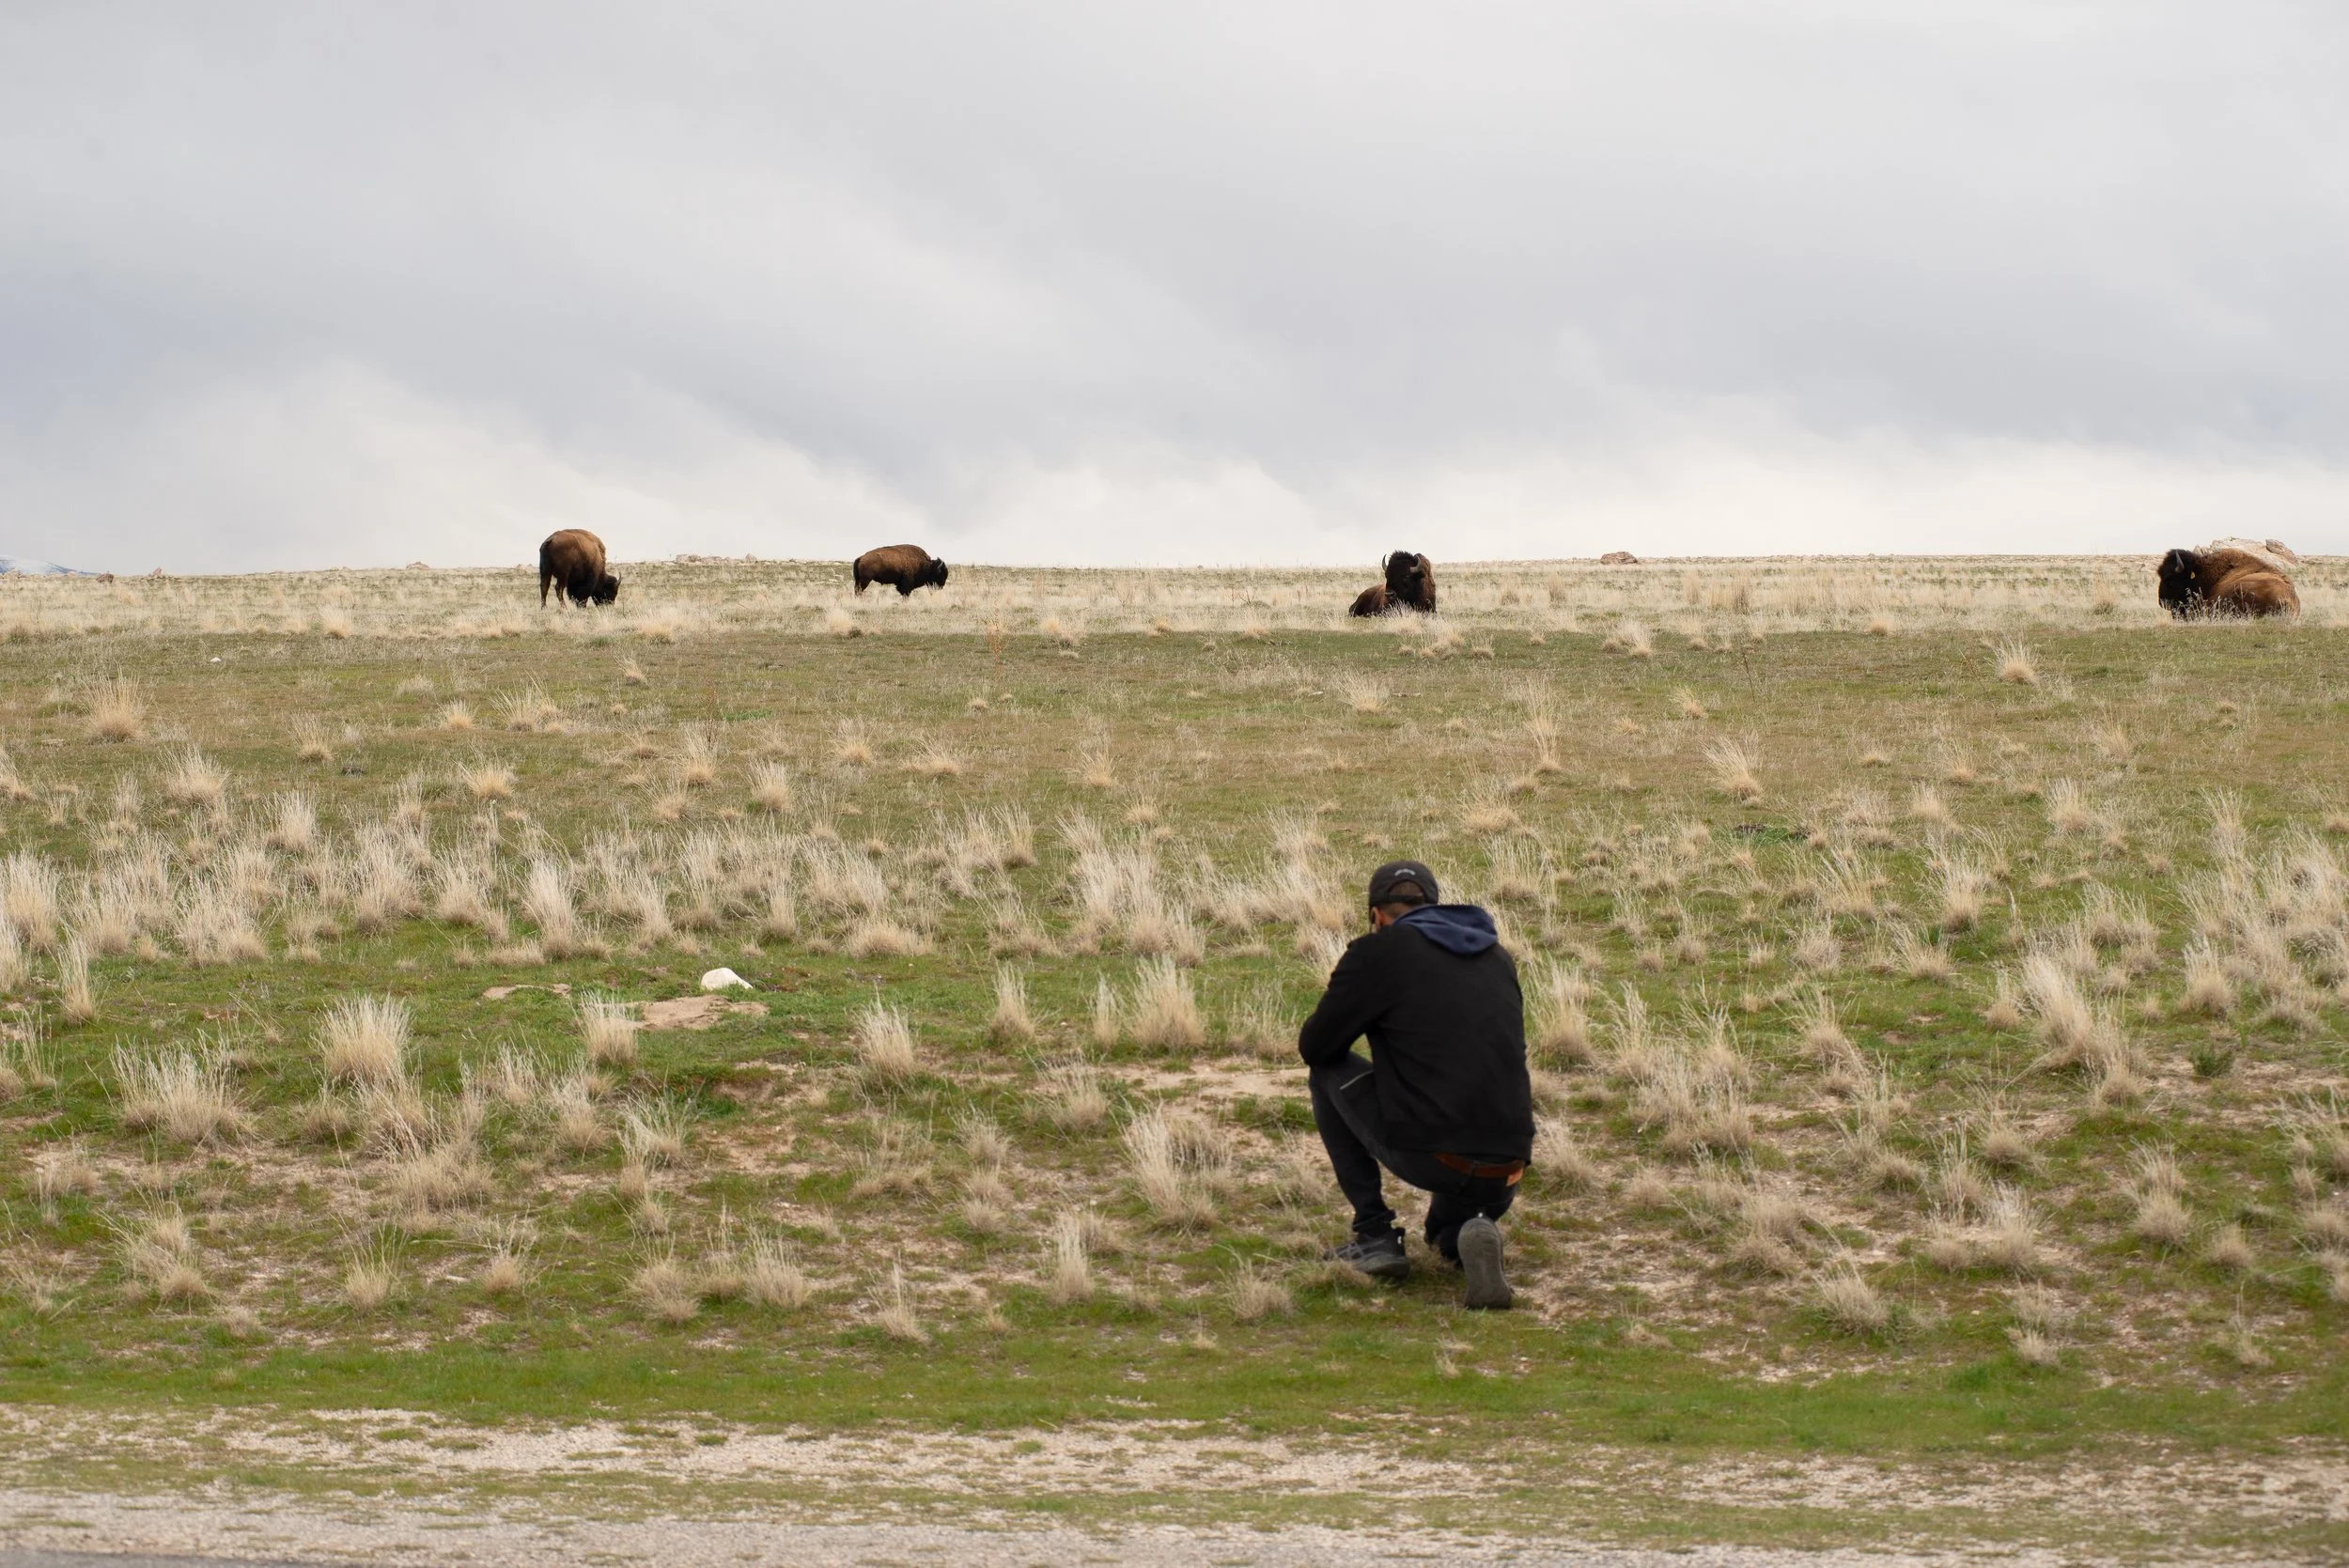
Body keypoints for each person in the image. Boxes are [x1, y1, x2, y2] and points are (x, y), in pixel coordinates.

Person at [1296, 860, 1534, 1310]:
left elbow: (1317, 1046)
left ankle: (1374, 1234)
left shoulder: (1379, 952)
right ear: (1436, 908)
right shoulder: (1497, 956)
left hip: (1437, 1156)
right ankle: (1467, 1235)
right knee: (1444, 1240)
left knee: (1327, 1070)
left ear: (1376, 915)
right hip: (1508, 1165)